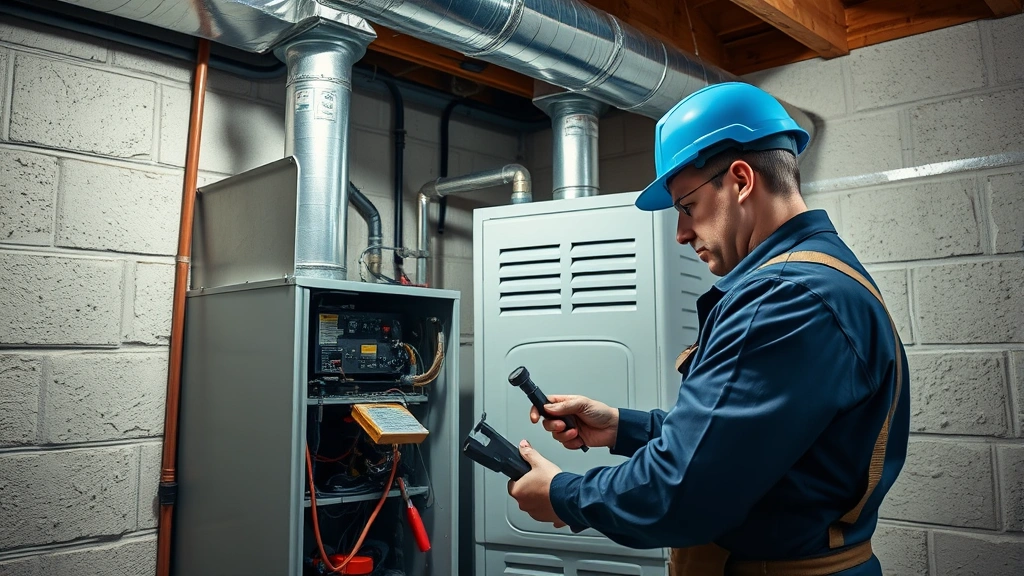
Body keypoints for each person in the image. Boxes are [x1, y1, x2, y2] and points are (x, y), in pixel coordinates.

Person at [506, 82, 910, 575]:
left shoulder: (783, 299)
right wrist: (620, 427)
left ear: (740, 180)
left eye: (687, 207)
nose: (680, 234)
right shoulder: (820, 275)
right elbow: (743, 442)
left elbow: (681, 491)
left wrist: (563, 494)